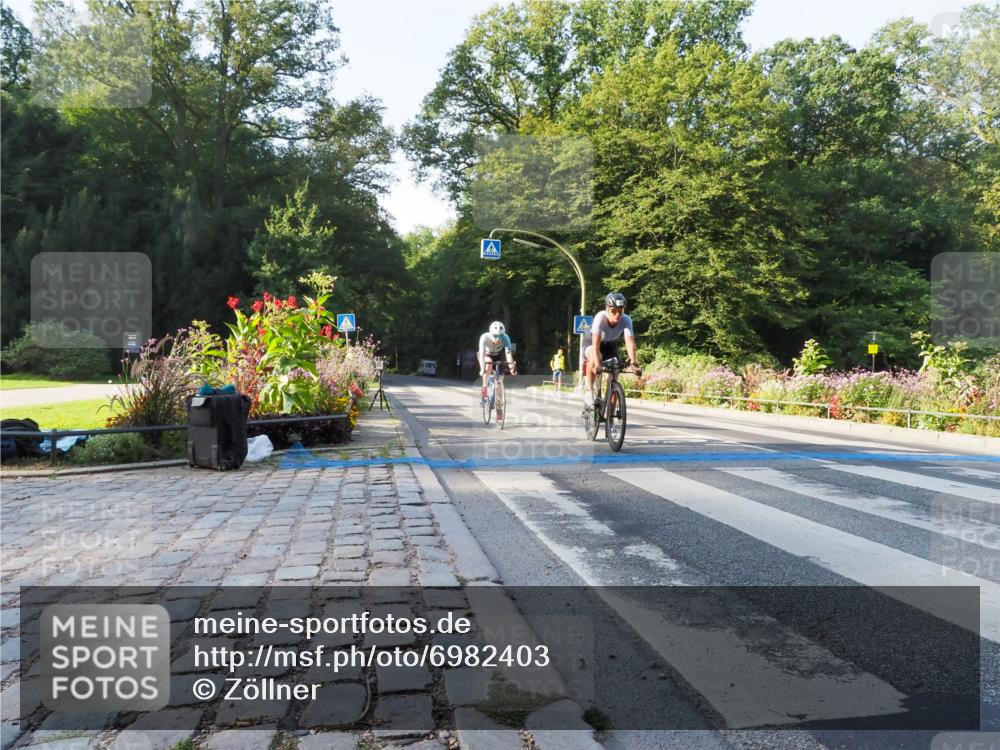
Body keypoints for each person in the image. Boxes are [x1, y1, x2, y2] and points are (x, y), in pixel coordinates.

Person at [584, 292, 639, 407]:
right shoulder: (600, 318)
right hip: (592, 343)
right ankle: (589, 391)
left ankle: (611, 419)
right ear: (607, 309)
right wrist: (598, 365)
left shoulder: (626, 320)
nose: (617, 315)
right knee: (594, 360)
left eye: (620, 311)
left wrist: (634, 363)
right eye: (613, 311)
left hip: (610, 345)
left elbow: (630, 342)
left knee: (614, 376)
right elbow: (595, 345)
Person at [478, 321, 517, 401]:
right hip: (485, 355)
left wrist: (511, 368)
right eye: (495, 336)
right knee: (488, 364)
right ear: (491, 333)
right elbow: (482, 354)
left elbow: (508, 353)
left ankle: (499, 407)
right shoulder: (484, 337)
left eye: (500, 336)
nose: (498, 338)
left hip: (497, 355)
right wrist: (482, 368)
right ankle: (484, 387)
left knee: (500, 380)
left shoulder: (506, 338)